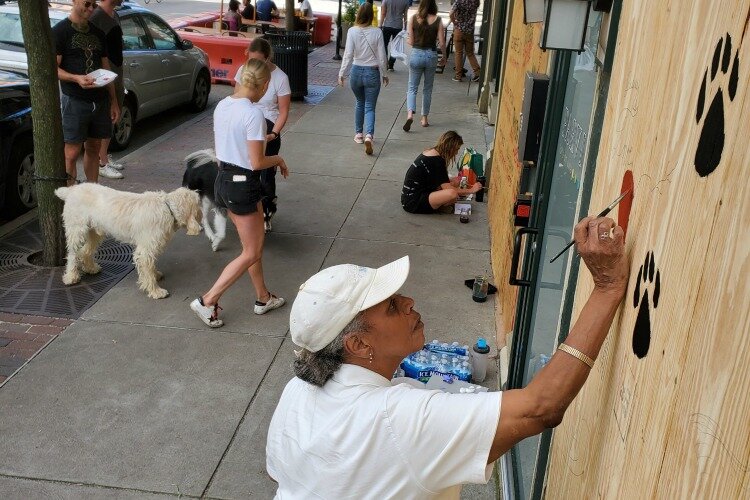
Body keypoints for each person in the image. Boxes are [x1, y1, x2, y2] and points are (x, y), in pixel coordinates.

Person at [266, 215, 629, 497]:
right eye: (392, 306)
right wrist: (608, 288)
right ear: (358, 345)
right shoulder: (397, 417)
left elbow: (279, 473)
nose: (409, 301)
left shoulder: (298, 390)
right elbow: (541, 407)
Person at [190, 59, 289, 328]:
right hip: (243, 184)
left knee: (251, 246)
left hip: (223, 180)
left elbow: (229, 145)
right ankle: (208, 300)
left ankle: (263, 297)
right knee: (252, 251)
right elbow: (257, 162)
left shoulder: (223, 105)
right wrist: (278, 159)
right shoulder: (254, 114)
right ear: (265, 85)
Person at [53, 0, 121, 185]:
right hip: (74, 100)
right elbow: (53, 69)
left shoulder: (98, 33)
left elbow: (106, 68)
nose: (91, 9)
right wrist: (76, 78)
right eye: (87, 3)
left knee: (94, 147)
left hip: (99, 100)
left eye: (94, 5)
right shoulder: (60, 31)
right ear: (74, 1)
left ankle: (92, 194)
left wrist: (113, 102)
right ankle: (72, 199)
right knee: (72, 153)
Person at [233, 38, 291, 233]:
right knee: (245, 171)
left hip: (268, 129)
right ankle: (246, 212)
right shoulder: (244, 71)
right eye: (251, 61)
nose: (254, 66)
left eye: (259, 61)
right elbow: (236, 100)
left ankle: (266, 212)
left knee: (266, 175)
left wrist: (274, 133)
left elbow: (283, 111)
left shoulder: (280, 78)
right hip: (246, 126)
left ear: (268, 59)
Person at [338, 2, 388, 156]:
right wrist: (385, 74)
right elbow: (382, 56)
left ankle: (358, 134)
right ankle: (369, 135)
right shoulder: (377, 32)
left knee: (360, 103)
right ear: (372, 16)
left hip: (356, 72)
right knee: (370, 107)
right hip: (372, 73)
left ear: (358, 14)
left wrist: (341, 73)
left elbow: (348, 54)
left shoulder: (352, 31)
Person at [401, 131, 481, 214]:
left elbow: (440, 179)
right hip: (412, 201)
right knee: (452, 194)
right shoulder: (437, 161)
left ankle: (439, 205)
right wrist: (471, 190)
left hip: (415, 193)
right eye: (456, 149)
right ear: (450, 148)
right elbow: (449, 190)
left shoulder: (432, 151)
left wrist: (456, 182)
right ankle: (438, 206)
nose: (456, 153)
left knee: (455, 181)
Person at [89, 0, 125, 180]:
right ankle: (102, 162)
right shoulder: (96, 17)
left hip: (116, 72)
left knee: (114, 116)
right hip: (105, 74)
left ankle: (104, 157)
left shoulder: (115, 14)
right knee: (107, 115)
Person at [403, 0, 446, 131]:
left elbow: (410, 41)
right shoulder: (438, 20)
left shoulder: (413, 18)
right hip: (431, 55)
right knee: (427, 88)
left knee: (412, 87)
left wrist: (408, 39)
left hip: (416, 54)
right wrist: (444, 56)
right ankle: (424, 118)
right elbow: (442, 42)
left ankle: (410, 114)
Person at [450, 0, 480, 82]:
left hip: (459, 30)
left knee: (458, 53)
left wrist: (454, 22)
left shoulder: (459, 1)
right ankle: (478, 73)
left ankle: (458, 76)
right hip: (469, 31)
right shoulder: (476, 1)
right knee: (470, 53)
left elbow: (451, 13)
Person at [379, 0, 409, 71]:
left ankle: (385, 63)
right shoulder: (406, 1)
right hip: (398, 26)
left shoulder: (385, 0)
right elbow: (405, 15)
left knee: (384, 45)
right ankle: (391, 65)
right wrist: (405, 27)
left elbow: (383, 13)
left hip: (387, 26)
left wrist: (380, 25)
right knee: (395, 46)